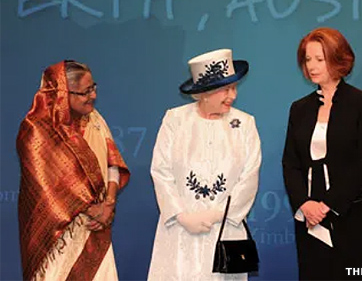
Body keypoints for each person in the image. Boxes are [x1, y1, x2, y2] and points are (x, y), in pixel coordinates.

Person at [148, 49, 261, 280]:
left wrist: (219, 213)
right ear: (204, 93)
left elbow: (250, 175)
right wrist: (181, 215)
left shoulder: (245, 124)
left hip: (225, 231)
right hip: (179, 232)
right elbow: (161, 170)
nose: (233, 95)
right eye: (225, 89)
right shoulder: (175, 120)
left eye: (234, 87)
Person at [282, 27, 362, 280]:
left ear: (338, 59)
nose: (312, 66)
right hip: (309, 214)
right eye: (307, 59)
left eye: (320, 59)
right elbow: (291, 162)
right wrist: (305, 204)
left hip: (353, 212)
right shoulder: (299, 108)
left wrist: (327, 205)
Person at [16, 60, 130, 281]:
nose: (93, 96)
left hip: (95, 226)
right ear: (61, 94)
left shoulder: (94, 119)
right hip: (57, 234)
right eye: (84, 92)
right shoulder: (36, 130)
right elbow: (45, 187)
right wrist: (91, 209)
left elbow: (111, 164)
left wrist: (109, 203)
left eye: (93, 88)